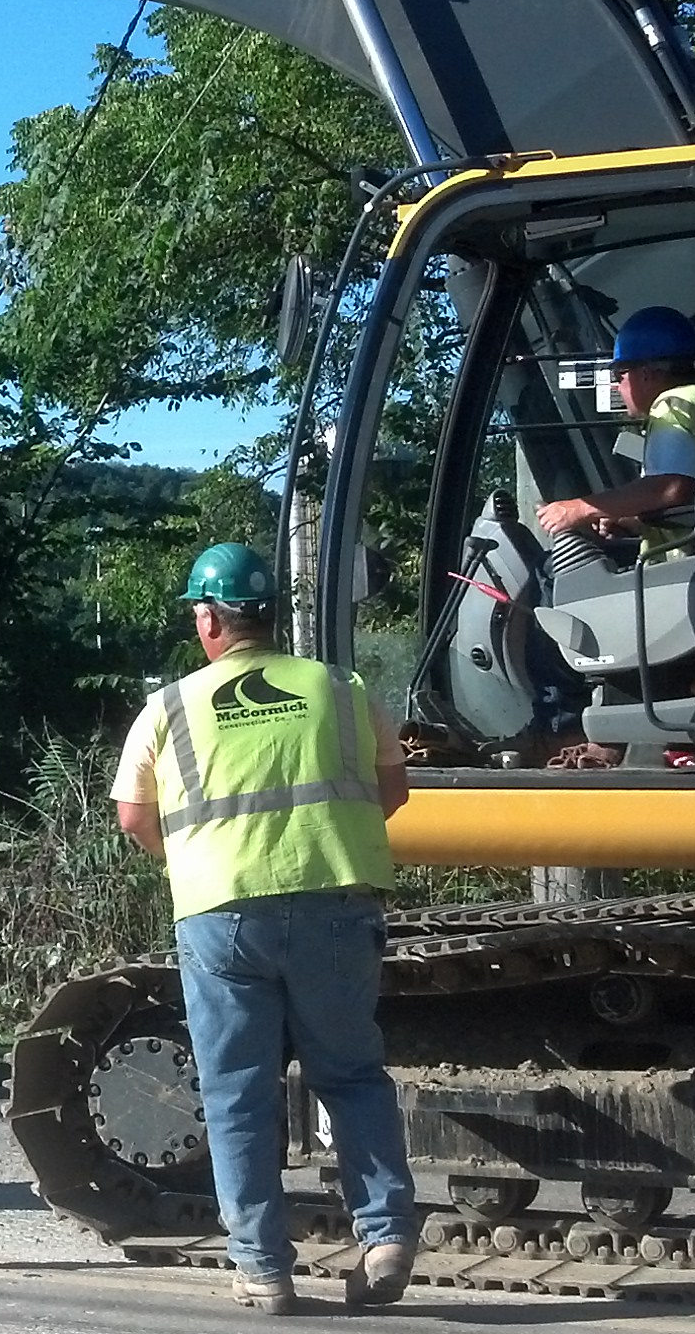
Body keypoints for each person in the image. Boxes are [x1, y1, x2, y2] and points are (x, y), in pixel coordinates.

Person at [110, 543, 419, 1314]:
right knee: (350, 1075)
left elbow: (133, 816)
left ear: (209, 618)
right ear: (269, 616)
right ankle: (385, 1236)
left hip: (222, 913)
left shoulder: (171, 706)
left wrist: (194, 860)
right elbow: (393, 787)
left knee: (236, 1091)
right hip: (338, 903)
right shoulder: (340, 687)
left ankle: (263, 1268)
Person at [536, 304, 695, 562]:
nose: (616, 385)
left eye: (619, 374)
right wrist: (634, 518)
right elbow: (694, 504)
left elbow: (671, 488)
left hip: (694, 572)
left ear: (645, 373)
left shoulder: (673, 405)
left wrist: (578, 509)